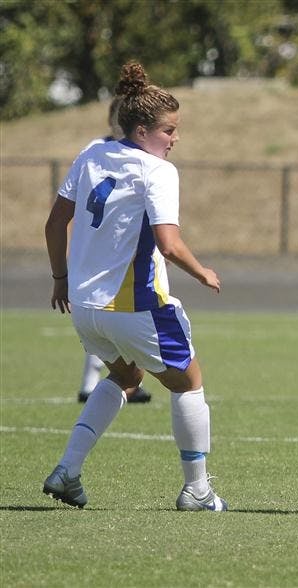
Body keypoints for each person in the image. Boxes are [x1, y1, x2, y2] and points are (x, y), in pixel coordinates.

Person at [43, 61, 227, 511]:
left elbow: (54, 223)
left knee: (126, 376)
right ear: (143, 129)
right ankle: (198, 490)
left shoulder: (91, 154)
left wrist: (60, 279)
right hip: (133, 304)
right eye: (169, 130)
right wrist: (202, 270)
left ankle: (67, 470)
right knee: (189, 383)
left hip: (85, 307)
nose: (175, 138)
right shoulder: (158, 171)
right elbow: (168, 243)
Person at [76, 96, 151, 404]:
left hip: (127, 248)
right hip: (103, 248)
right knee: (106, 318)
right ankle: (94, 383)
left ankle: (119, 381)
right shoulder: (96, 151)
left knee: (117, 319)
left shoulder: (142, 155)